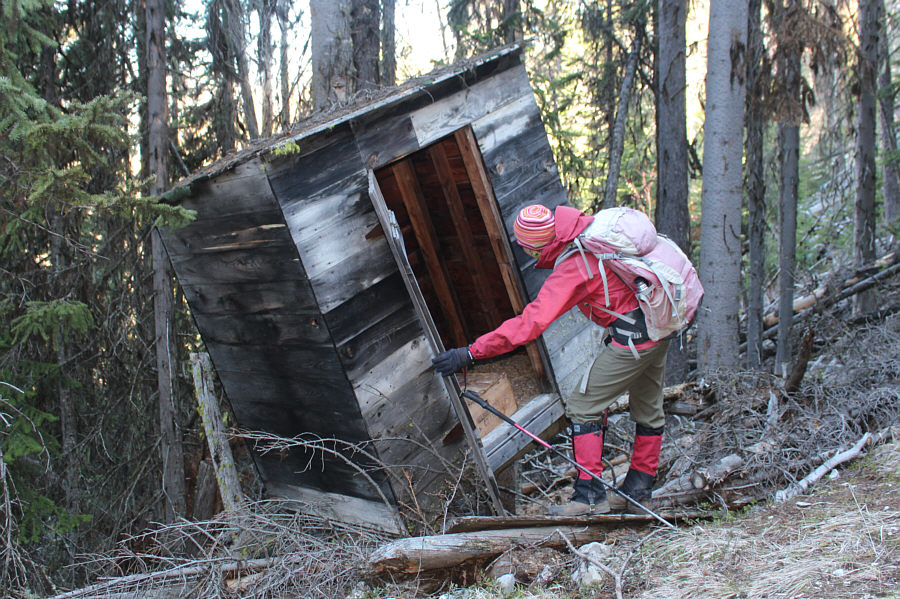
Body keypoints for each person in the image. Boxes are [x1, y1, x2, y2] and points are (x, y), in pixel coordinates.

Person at [432, 204, 669, 516]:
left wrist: (471, 352)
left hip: (634, 341)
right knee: (649, 410)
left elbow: (530, 324)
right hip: (660, 322)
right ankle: (639, 491)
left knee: (583, 406)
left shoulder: (574, 266)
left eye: (526, 247)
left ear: (534, 247)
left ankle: (588, 498)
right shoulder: (591, 232)